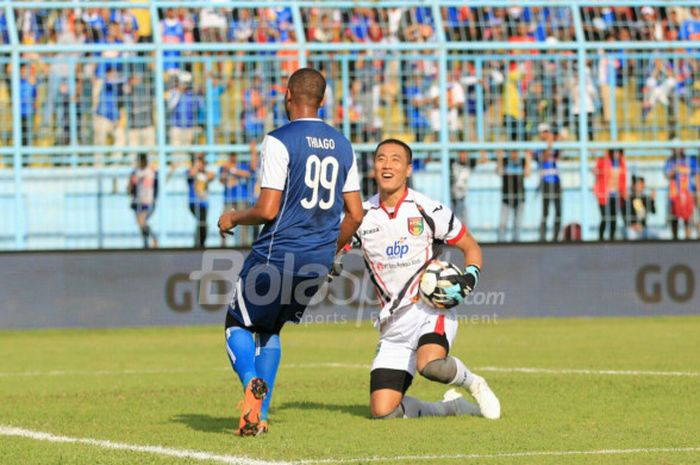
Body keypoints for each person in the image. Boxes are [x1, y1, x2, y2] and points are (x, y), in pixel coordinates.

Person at [217, 68, 364, 436]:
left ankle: (251, 381)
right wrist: (330, 249)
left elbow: (268, 209)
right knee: (270, 328)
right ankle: (258, 416)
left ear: (287, 95)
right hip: (316, 257)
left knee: (237, 323)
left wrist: (233, 217)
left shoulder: (279, 140)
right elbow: (356, 214)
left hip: (277, 252)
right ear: (322, 100)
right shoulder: (343, 144)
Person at [340, 138, 500, 421]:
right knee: (383, 411)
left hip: (430, 309)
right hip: (393, 324)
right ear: (374, 168)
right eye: (381, 159)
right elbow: (335, 247)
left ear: (409, 169)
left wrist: (470, 278)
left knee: (431, 364)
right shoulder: (360, 216)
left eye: (395, 159)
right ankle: (448, 408)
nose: (387, 165)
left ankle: (474, 383)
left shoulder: (428, 209)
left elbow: (471, 247)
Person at [220, 141, 257, 247]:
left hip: (242, 198)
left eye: (234, 154)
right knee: (223, 222)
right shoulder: (224, 167)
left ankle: (243, 245)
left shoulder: (242, 165)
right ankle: (222, 247)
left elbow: (248, 174)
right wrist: (226, 172)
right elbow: (222, 181)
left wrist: (232, 170)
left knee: (243, 224)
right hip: (228, 198)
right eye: (231, 154)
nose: (232, 157)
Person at [532, 123, 562, 241]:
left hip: (556, 180)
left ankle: (556, 237)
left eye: (547, 131)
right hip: (545, 181)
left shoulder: (553, 145)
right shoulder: (538, 147)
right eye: (543, 132)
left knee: (558, 211)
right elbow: (543, 159)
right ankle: (543, 237)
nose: (546, 134)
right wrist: (549, 146)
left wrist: (556, 141)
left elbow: (558, 156)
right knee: (545, 211)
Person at [665, 147, 698, 240]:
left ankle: (688, 239)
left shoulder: (690, 160)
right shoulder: (670, 161)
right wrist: (675, 170)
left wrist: (697, 193)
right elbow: (667, 175)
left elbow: (696, 175)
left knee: (688, 218)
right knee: (674, 218)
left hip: (688, 194)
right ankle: (674, 239)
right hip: (674, 195)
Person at [594, 149, 627, 241]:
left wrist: (623, 191)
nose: (616, 154)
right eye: (614, 152)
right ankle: (600, 238)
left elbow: (623, 180)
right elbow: (597, 170)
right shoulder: (604, 161)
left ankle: (612, 238)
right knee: (604, 217)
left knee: (613, 218)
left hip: (616, 195)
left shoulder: (621, 164)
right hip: (604, 195)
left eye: (618, 152)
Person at [497, 150, 531, 242]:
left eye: (516, 151)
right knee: (502, 224)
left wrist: (528, 159)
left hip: (520, 197)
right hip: (506, 198)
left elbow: (527, 174)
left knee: (517, 225)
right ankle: (500, 245)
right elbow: (499, 172)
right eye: (512, 151)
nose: (514, 153)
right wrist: (499, 159)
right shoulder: (505, 161)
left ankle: (516, 245)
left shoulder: (522, 161)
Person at [128, 153, 158, 248]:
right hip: (138, 201)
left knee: (141, 221)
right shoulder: (135, 172)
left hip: (148, 201)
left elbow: (156, 185)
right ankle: (146, 243)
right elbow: (130, 188)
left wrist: (154, 198)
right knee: (141, 224)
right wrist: (131, 185)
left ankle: (153, 238)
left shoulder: (151, 171)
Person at [187, 153, 214, 248]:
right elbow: (191, 174)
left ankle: (200, 243)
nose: (202, 164)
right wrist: (196, 163)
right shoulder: (191, 172)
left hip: (204, 203)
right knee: (202, 222)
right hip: (194, 203)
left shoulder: (205, 173)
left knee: (203, 223)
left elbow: (212, 175)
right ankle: (199, 244)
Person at [626, 175, 657, 240]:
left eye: (642, 185)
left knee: (655, 235)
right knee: (631, 234)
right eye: (638, 184)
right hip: (632, 227)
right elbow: (626, 214)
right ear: (634, 186)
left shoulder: (645, 198)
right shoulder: (630, 198)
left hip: (643, 227)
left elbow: (653, 211)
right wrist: (633, 224)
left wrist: (652, 200)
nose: (640, 187)